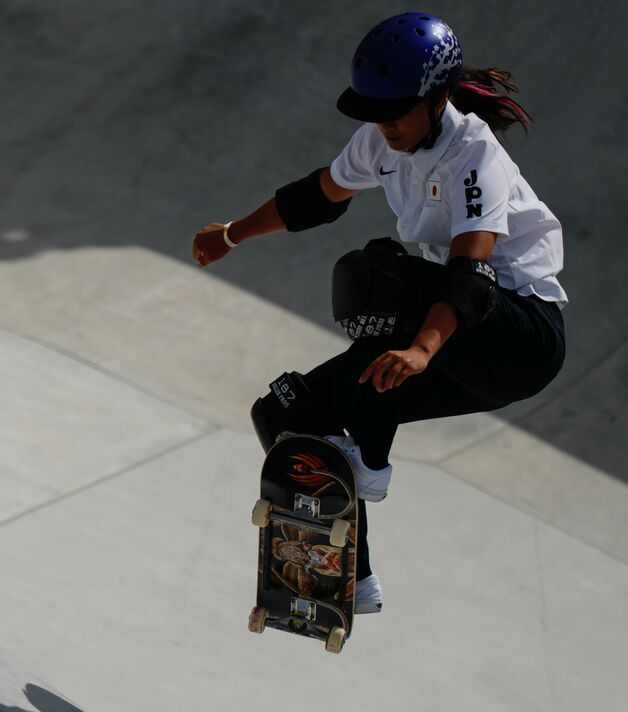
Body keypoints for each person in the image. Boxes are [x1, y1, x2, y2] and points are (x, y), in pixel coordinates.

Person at [192, 12, 566, 615]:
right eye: (375, 113)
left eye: (395, 113)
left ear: (437, 100)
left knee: (373, 274)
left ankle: (370, 459)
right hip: (449, 333)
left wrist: (421, 350)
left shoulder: (475, 157)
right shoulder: (380, 141)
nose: (384, 126)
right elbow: (316, 196)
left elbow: (472, 275)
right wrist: (233, 234)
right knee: (288, 414)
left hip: (518, 335)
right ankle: (348, 582)